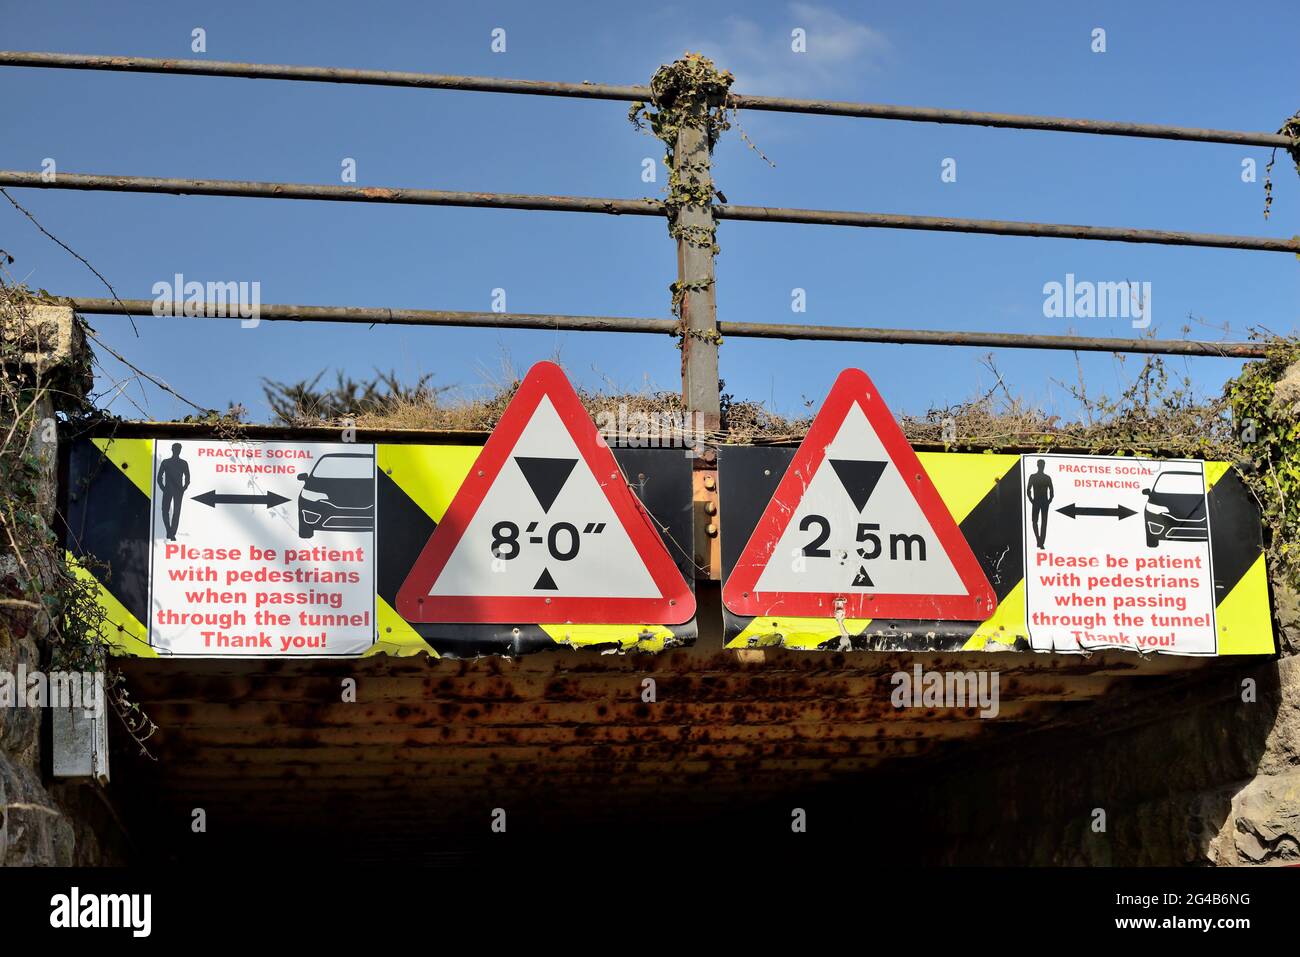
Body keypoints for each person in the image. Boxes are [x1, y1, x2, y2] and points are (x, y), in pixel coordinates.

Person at [157, 443, 190, 540]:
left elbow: (187, 477)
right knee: (171, 511)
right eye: (177, 449)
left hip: (174, 490)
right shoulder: (166, 462)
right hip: (172, 490)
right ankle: (170, 533)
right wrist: (183, 488)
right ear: (174, 450)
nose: (177, 450)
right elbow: (159, 478)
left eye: (178, 449)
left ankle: (171, 533)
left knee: (173, 511)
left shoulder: (181, 463)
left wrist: (184, 487)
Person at [1026, 459, 1054, 549]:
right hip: (1037, 501)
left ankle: (1041, 542)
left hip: (1044, 502)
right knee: (1035, 521)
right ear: (1038, 465)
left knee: (1044, 522)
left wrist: (1049, 500)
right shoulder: (1033, 477)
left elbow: (1051, 490)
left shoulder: (1047, 477)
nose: (1042, 466)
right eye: (1041, 465)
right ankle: (1038, 540)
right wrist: (1031, 499)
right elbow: (1028, 490)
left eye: (1043, 465)